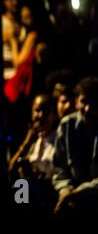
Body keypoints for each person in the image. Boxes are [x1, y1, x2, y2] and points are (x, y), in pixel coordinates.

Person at [52, 77, 98, 215]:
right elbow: (59, 169)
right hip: (69, 196)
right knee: (23, 187)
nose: (88, 109)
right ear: (77, 102)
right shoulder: (67, 125)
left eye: (94, 103)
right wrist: (65, 191)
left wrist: (77, 193)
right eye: (84, 102)